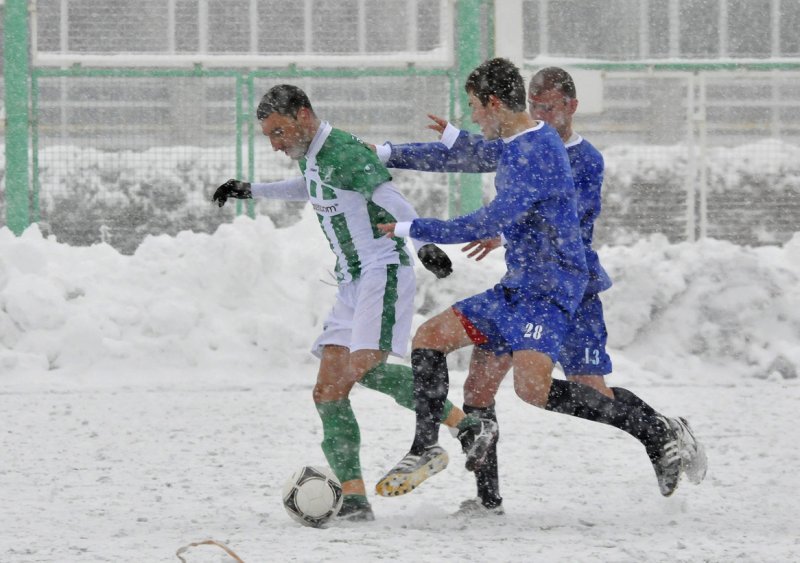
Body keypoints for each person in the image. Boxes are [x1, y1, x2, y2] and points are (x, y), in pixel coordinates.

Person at [374, 67, 707, 513]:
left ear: (571, 105)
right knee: (465, 373)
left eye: (474, 107)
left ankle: (658, 431)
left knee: (563, 388)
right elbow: (480, 156)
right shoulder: (523, 141)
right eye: (537, 105)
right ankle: (475, 489)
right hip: (522, 282)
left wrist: (418, 226)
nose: (542, 112)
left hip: (562, 285)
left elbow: (522, 204)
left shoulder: (565, 154)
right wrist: (388, 152)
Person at [211, 84, 499, 522]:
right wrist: (252, 190)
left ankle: (470, 428)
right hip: (351, 281)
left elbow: (388, 197)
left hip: (381, 272)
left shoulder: (342, 150)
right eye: (269, 135)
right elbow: (310, 188)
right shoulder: (313, 155)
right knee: (328, 390)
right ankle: (356, 502)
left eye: (279, 131)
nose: (275, 143)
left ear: (304, 116)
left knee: (366, 366)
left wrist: (423, 243)